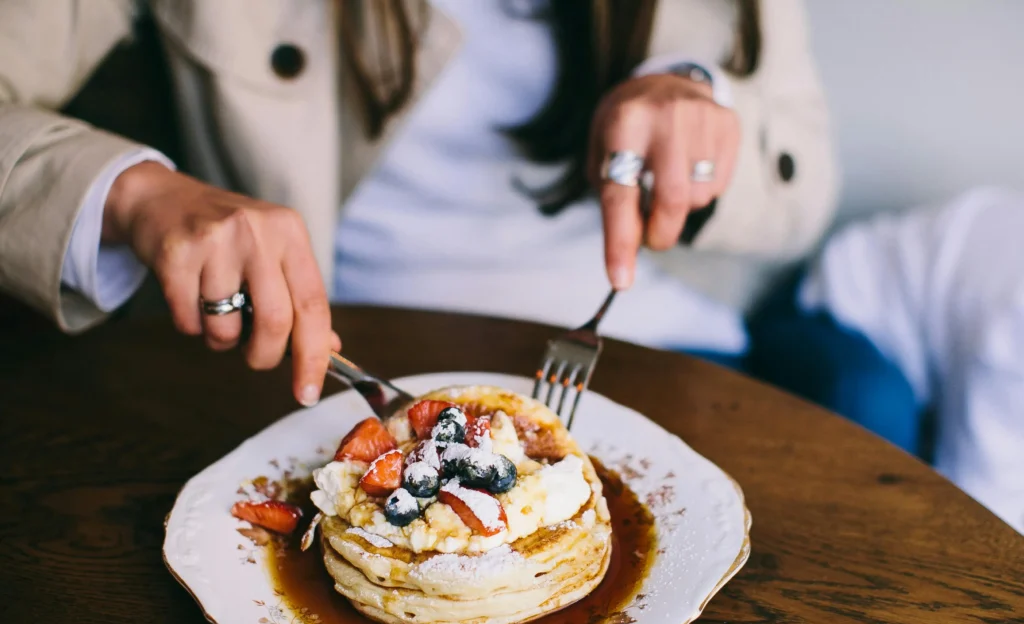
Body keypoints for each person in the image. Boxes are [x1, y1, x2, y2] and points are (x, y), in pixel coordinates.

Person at [0, 0, 837, 407]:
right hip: (331, 362)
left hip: (639, 348)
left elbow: (806, 197)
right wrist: (133, 190)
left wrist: (698, 100)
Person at [763, 188, 1023, 534]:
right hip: (830, 311)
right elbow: (982, 512)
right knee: (885, 437)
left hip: (935, 363)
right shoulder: (1014, 322)